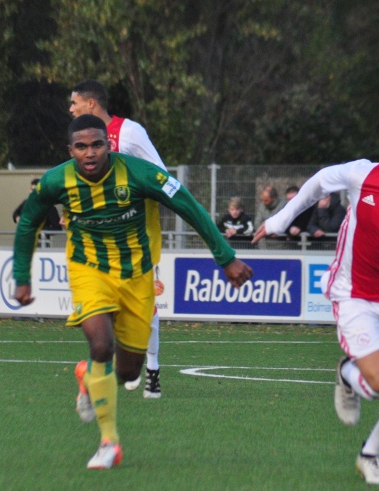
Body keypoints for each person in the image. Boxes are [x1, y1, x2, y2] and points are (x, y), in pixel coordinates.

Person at [13, 114, 252, 469]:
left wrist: (226, 257)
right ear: (71, 150)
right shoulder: (55, 181)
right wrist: (22, 276)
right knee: (100, 344)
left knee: (127, 372)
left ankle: (86, 375)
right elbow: (29, 220)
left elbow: (188, 205)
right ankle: (109, 442)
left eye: (97, 145)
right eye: (81, 147)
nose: (90, 153)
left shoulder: (139, 174)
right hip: (88, 270)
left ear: (108, 145)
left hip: (137, 277)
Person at [253, 115, 379, 485]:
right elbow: (316, 184)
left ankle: (370, 455)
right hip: (355, 292)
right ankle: (348, 373)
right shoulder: (363, 174)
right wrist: (281, 220)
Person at [70, 79, 167, 398]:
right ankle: (97, 374)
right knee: (103, 310)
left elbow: (160, 175)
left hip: (137, 235)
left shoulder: (129, 132)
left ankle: (151, 368)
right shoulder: (83, 140)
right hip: (98, 238)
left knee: (144, 307)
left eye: (74, 103)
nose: (70, 109)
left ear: (91, 104)